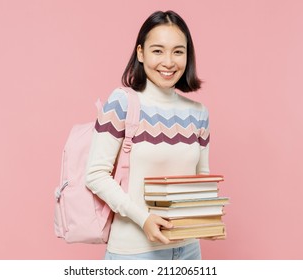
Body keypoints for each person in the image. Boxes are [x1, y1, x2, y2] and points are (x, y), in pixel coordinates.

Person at [85, 10, 211, 260]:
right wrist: (144, 220)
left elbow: (201, 178)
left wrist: (209, 217)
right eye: (158, 50)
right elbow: (95, 175)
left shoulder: (198, 113)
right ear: (141, 53)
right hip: (134, 252)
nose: (168, 61)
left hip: (188, 249)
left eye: (178, 51)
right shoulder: (122, 102)